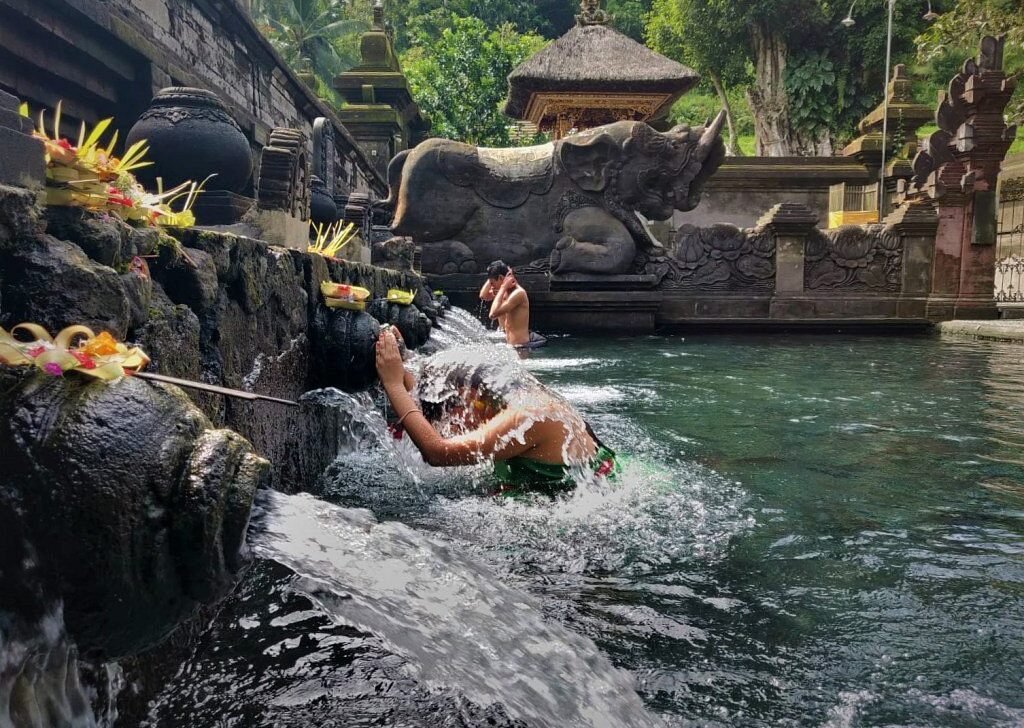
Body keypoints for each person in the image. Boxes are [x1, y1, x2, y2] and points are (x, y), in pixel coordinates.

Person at [375, 329, 615, 492]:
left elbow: (437, 452)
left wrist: (394, 385)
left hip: (595, 506)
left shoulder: (528, 415)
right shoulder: (505, 395)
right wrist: (403, 358)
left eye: (454, 410)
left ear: (472, 395)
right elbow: (429, 395)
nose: (452, 423)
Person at [478, 260, 535, 348]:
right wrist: (493, 275)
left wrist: (503, 286)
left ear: (501, 278)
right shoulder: (504, 293)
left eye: (492, 283)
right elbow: (483, 295)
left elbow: (493, 314)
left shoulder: (518, 293)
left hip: (521, 347)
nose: (491, 286)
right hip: (511, 346)